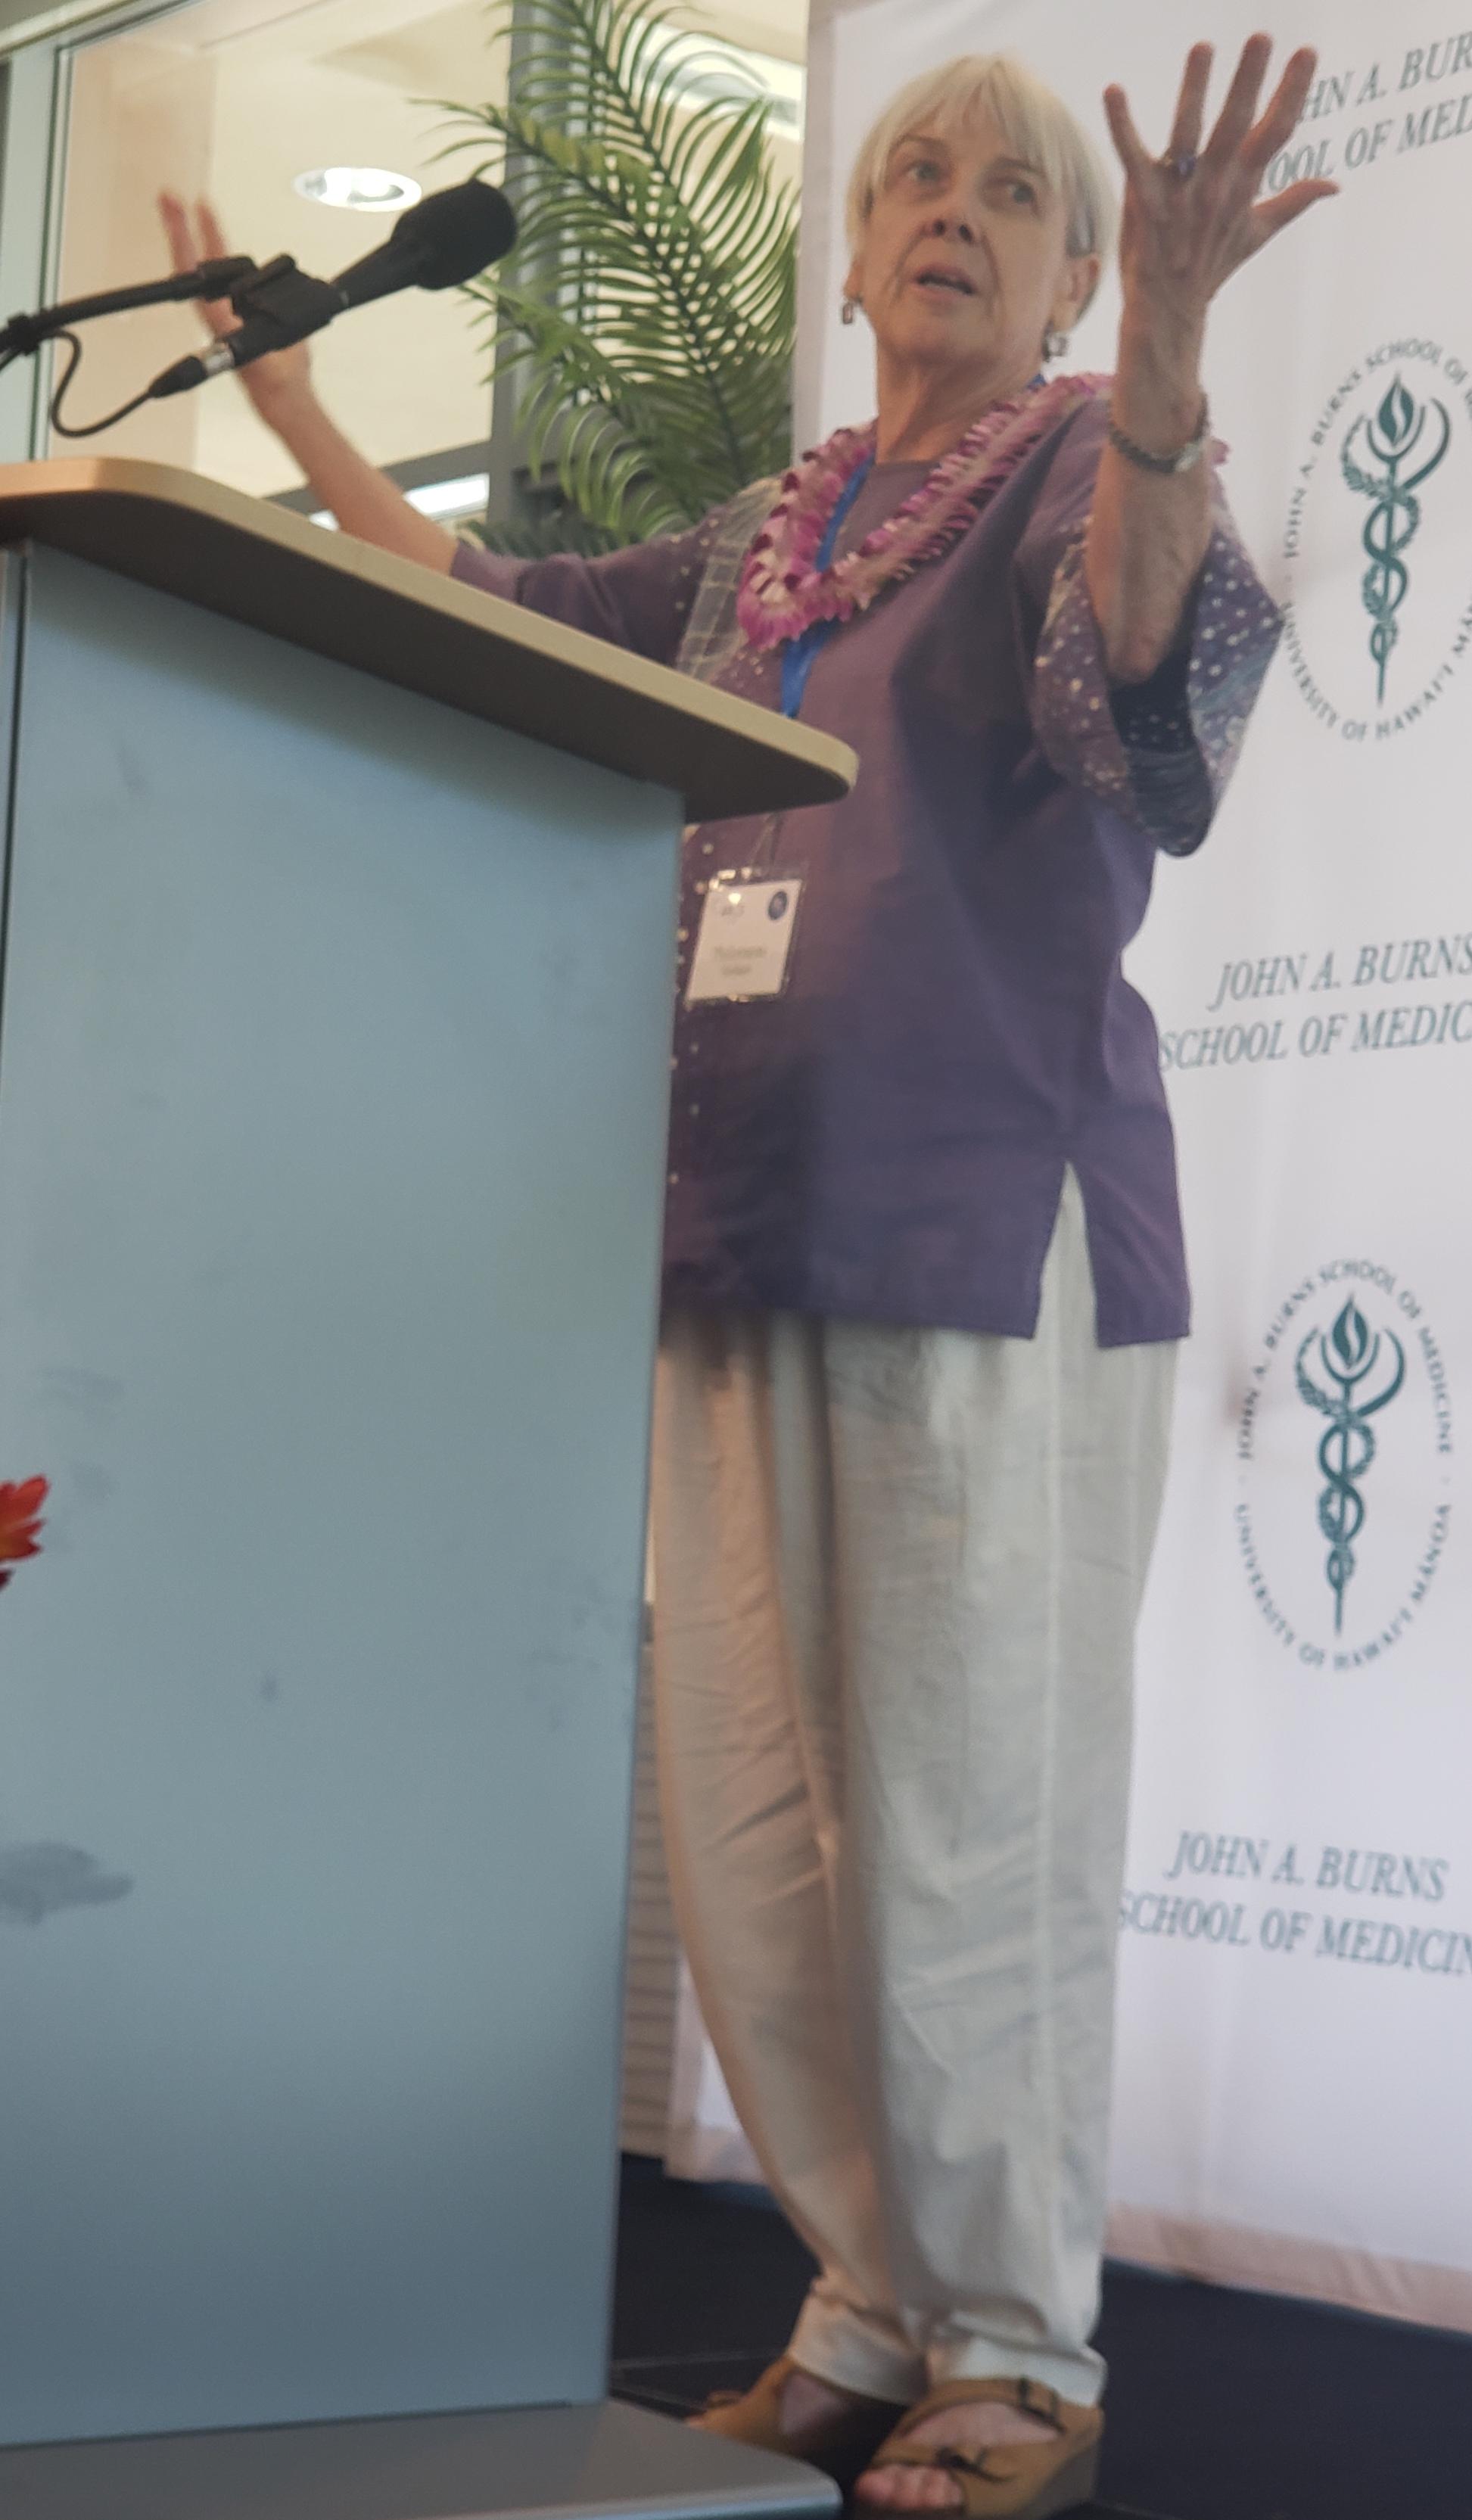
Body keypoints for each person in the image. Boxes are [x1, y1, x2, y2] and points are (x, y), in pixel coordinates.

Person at [163, 35, 1330, 2515]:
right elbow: (505, 617)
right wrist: (294, 412)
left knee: (961, 1813)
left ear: (1074, 273)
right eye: (909, 173)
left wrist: (1165, 371)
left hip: (974, 1220)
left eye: (1007, 190)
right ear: (854, 243)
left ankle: (1012, 2339)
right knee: (757, 1830)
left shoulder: (1078, 463)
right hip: (731, 1213)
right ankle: (865, 2300)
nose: (946, 208)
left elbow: (1144, 691)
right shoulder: (775, 530)